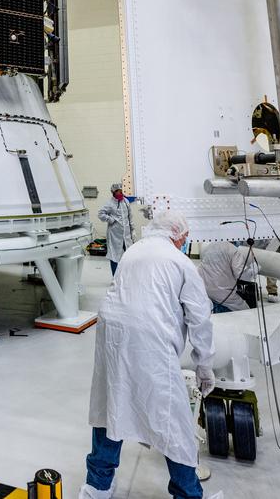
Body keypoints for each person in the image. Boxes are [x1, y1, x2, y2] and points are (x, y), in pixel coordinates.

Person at [81, 211, 214, 499]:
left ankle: (97, 486)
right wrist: (204, 364)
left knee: (110, 406)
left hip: (112, 336)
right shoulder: (178, 260)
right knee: (171, 419)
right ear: (177, 234)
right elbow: (200, 315)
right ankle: (188, 493)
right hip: (149, 339)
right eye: (185, 236)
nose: (185, 241)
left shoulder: (134, 251)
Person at [196, 241, 258, 313]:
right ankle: (218, 310)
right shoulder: (233, 250)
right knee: (245, 310)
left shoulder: (209, 246)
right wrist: (254, 269)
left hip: (205, 289)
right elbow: (242, 275)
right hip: (223, 292)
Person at [97, 184, 134, 275]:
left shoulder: (126, 201)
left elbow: (130, 217)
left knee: (129, 255)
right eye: (118, 191)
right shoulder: (109, 203)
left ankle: (127, 276)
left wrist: (133, 230)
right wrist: (110, 219)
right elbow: (100, 214)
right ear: (114, 192)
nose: (121, 193)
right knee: (114, 255)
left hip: (126, 234)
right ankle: (115, 277)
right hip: (114, 234)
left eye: (122, 191)